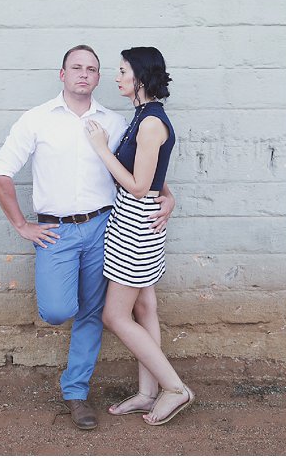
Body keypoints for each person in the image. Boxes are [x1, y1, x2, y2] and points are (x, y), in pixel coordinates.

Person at [0, 45, 175, 431]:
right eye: (76, 67)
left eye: (93, 69)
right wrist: (22, 225)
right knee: (58, 310)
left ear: (99, 76)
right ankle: (162, 388)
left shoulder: (115, 121)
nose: (84, 74)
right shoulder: (36, 120)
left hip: (106, 227)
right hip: (55, 229)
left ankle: (76, 393)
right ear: (62, 74)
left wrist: (168, 197)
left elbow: (143, 169)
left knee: (95, 313)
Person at [84, 47, 194, 425]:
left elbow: (138, 185)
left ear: (141, 79)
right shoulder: (143, 116)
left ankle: (174, 388)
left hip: (135, 225)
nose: (117, 77)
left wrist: (101, 149)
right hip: (135, 220)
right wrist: (168, 195)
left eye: (122, 71)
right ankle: (148, 394)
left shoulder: (150, 123)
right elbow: (154, 180)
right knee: (144, 308)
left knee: (115, 315)